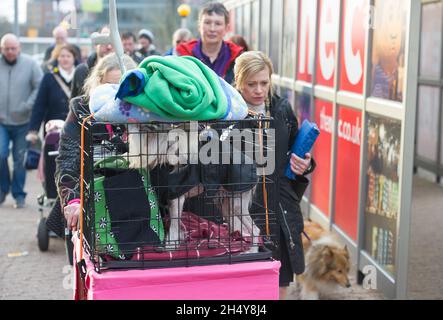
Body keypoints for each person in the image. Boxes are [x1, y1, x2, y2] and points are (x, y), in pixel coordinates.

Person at [233, 51, 315, 300]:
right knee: (242, 281)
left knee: (280, 277)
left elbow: (296, 152)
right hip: (239, 208)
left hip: (280, 207)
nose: (259, 90)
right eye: (251, 84)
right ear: (239, 82)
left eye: (264, 83)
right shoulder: (228, 114)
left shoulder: (281, 109)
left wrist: (305, 163)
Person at [55, 53, 136, 231]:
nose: (116, 96)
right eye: (108, 87)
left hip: (135, 199)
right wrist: (74, 200)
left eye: (121, 87)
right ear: (98, 84)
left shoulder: (144, 113)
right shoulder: (81, 109)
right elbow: (67, 159)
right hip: (89, 197)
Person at [0, 34, 43, 208]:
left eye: (13, 48)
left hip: (23, 121)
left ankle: (19, 194)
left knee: (19, 160)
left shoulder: (31, 64)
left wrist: (28, 105)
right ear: (1, 49)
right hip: (1, 121)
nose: (10, 52)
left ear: (19, 48)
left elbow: (40, 86)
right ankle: (3, 189)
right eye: (6, 48)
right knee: (1, 154)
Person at [176, 2, 243, 84]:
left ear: (226, 28)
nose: (212, 29)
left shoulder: (237, 58)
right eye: (207, 22)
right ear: (199, 26)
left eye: (218, 24)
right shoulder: (183, 55)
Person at [27, 44, 77, 142]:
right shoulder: (49, 78)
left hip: (75, 128)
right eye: (62, 56)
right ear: (57, 58)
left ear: (74, 58)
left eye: (68, 56)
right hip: (53, 128)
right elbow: (40, 105)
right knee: (52, 156)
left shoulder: (81, 76)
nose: (65, 59)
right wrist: (33, 130)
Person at [71, 26, 114, 98]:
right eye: (104, 41)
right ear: (96, 44)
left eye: (112, 42)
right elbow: (73, 102)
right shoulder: (81, 71)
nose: (109, 47)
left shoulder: (123, 71)